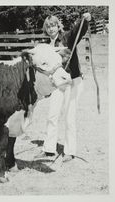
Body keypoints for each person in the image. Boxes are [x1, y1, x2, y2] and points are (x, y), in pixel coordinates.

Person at [35, 13, 91, 162]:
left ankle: (69, 151)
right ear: (45, 29)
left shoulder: (67, 37)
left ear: (58, 26)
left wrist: (84, 20)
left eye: (53, 25)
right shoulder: (47, 46)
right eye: (48, 26)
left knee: (69, 117)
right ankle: (48, 149)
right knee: (52, 115)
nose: (51, 28)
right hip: (57, 84)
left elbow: (77, 30)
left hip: (72, 81)